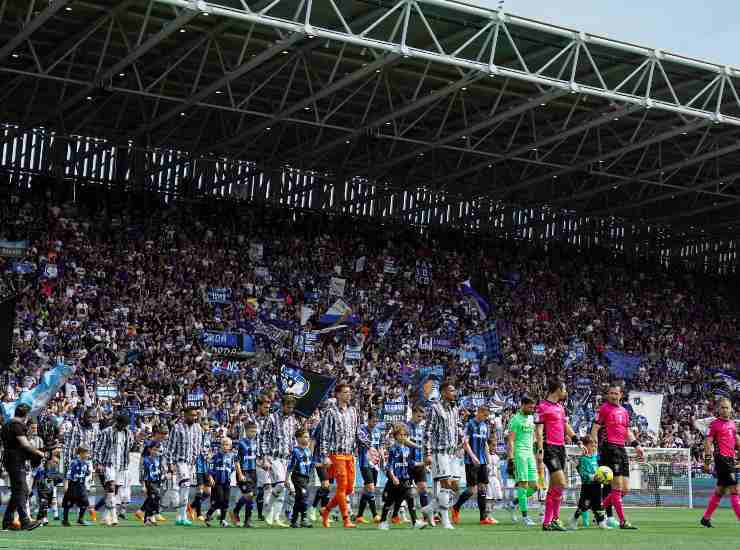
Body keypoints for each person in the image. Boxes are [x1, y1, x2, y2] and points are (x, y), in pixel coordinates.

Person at [590, 384, 643, 530]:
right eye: (611, 393)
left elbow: (627, 431)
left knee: (625, 489)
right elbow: (595, 428)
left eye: (616, 393)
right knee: (617, 488)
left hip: (621, 449)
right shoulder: (604, 409)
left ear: (621, 395)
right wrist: (594, 446)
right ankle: (623, 521)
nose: (613, 395)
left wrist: (637, 445)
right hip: (609, 448)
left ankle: (598, 509)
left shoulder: (624, 411)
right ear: (608, 395)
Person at [536, 379, 581, 531]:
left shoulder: (560, 407)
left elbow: (565, 425)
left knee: (555, 487)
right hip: (549, 448)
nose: (566, 392)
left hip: (561, 448)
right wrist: (540, 450)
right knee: (561, 483)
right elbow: (539, 430)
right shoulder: (542, 406)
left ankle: (548, 522)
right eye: (564, 389)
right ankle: (554, 519)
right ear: (557, 390)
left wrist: (577, 440)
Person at [319, 383, 360, 529]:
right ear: (337, 394)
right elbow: (324, 435)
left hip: (350, 454)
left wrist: (369, 448)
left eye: (349, 392)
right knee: (341, 487)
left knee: (349, 489)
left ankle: (326, 510)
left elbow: (357, 433)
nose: (348, 394)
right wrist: (325, 455)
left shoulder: (353, 411)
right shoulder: (330, 412)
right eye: (345, 392)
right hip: (336, 454)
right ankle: (346, 519)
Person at [424, 381, 462, 530]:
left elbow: (457, 425)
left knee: (455, 486)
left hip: (452, 453)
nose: (454, 393)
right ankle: (445, 520)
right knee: (445, 484)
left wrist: (461, 439)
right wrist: (426, 454)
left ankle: (429, 508)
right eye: (451, 391)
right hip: (439, 452)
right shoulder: (435, 408)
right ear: (444, 393)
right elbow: (427, 431)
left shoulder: (455, 409)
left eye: (454, 391)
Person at [1, 403, 44, 531]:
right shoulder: (17, 425)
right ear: (26, 414)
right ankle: (25, 520)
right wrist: (39, 452)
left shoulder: (7, 424)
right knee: (21, 490)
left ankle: (8, 521)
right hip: (15, 461)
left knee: (18, 491)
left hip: (10, 460)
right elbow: (25, 445)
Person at [452, 404, 496, 525]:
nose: (485, 418)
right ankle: (456, 507)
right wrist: (473, 457)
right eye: (484, 415)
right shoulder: (470, 424)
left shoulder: (484, 426)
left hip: (482, 462)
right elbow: (465, 443)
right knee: (472, 490)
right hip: (471, 461)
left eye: (487, 416)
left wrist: (488, 461)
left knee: (482, 488)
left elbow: (485, 444)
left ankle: (483, 518)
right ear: (479, 412)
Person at [700, 397, 740, 527]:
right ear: (718, 409)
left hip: (730, 460)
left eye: (727, 407)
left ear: (731, 409)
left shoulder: (733, 424)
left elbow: (735, 441)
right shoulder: (715, 424)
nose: (724, 410)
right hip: (721, 459)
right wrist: (707, 461)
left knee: (720, 491)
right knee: (735, 490)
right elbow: (708, 442)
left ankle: (706, 518)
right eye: (722, 407)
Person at [93, 412, 137, 527]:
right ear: (118, 422)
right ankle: (114, 516)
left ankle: (105, 516)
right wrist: (98, 463)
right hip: (108, 464)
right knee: (111, 488)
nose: (124, 426)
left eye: (126, 425)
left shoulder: (129, 433)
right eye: (123, 424)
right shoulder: (107, 432)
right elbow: (98, 448)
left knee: (114, 492)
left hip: (122, 465)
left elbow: (130, 446)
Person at [260, 394, 298, 527]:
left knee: (290, 490)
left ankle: (277, 516)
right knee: (281, 483)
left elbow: (294, 438)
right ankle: (268, 508)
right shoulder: (272, 418)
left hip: (288, 458)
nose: (291, 408)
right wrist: (265, 458)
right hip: (275, 457)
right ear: (283, 405)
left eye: (292, 406)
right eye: (288, 406)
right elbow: (263, 438)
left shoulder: (293, 420)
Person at [378, 423, 425, 530]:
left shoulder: (407, 449)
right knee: (389, 502)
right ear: (395, 436)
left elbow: (409, 463)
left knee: (410, 497)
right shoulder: (393, 449)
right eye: (400, 435)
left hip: (405, 479)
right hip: (395, 481)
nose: (403, 437)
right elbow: (389, 466)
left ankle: (415, 522)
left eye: (405, 435)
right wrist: (393, 477)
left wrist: (422, 464)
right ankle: (382, 522)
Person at [167, 407, 203, 526]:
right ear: (185, 415)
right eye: (192, 415)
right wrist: (170, 463)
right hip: (180, 461)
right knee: (186, 484)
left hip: (191, 463)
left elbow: (198, 445)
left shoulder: (198, 428)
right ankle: (183, 515)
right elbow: (170, 447)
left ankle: (180, 516)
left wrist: (197, 459)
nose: (194, 417)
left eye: (195, 415)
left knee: (184, 488)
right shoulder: (177, 428)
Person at [506, 395, 538, 527]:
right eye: (530, 407)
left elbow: (533, 437)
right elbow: (511, 440)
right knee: (523, 485)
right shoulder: (515, 420)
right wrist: (511, 458)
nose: (532, 409)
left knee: (535, 487)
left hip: (530, 455)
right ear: (523, 405)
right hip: (520, 455)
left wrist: (537, 451)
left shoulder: (531, 418)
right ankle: (525, 517)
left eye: (533, 407)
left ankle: (513, 503)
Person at [63, 408, 99, 522]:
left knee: (85, 491)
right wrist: (69, 464)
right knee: (72, 495)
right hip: (76, 461)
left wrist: (93, 465)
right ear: (84, 417)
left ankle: (80, 517)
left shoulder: (94, 429)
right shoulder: (76, 428)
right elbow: (70, 448)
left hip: (88, 462)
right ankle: (67, 518)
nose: (91, 420)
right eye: (89, 417)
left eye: (93, 417)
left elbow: (94, 446)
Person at [568, 435, 608, 530]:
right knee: (584, 506)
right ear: (585, 446)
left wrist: (602, 477)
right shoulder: (583, 459)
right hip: (587, 486)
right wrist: (592, 477)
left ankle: (601, 522)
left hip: (597, 485)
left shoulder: (595, 458)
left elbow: (600, 470)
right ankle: (574, 519)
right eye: (591, 445)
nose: (593, 447)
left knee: (599, 505)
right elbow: (582, 473)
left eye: (594, 445)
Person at [406, 406, 432, 525]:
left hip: (420, 462)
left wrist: (427, 456)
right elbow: (404, 440)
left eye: (422, 417)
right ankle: (395, 513)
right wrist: (417, 446)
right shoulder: (406, 426)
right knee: (407, 491)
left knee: (423, 488)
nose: (420, 419)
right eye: (418, 416)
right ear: (413, 413)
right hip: (407, 462)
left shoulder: (423, 427)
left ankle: (426, 517)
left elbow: (426, 443)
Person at [356, 411, 382, 524]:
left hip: (375, 463)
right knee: (370, 487)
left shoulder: (378, 431)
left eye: (376, 421)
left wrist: (382, 457)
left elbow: (379, 445)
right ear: (368, 419)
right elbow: (360, 442)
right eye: (373, 420)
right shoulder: (362, 430)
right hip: (365, 462)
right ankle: (375, 515)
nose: (375, 423)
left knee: (368, 489)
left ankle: (359, 516)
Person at [204, 437, 236, 528]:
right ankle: (209, 514)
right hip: (217, 482)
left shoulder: (231, 456)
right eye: (224, 444)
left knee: (226, 501)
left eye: (227, 445)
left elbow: (232, 468)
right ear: (221, 446)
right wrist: (210, 477)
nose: (225, 446)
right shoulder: (216, 456)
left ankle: (222, 520)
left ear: (230, 446)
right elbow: (209, 467)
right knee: (220, 500)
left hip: (227, 482)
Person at [232, 421, 258, 527]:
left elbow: (255, 457)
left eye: (255, 431)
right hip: (244, 472)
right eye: (252, 431)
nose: (254, 433)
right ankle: (247, 520)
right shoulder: (240, 443)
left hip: (253, 471)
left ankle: (237, 511)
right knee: (249, 495)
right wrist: (240, 474)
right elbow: (236, 460)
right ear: (246, 431)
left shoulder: (255, 442)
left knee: (252, 495)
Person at [287, 428, 313, 528]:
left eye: (308, 437)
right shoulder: (295, 451)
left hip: (305, 477)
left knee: (299, 498)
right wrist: (287, 479)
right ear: (298, 438)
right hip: (297, 476)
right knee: (304, 496)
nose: (308, 439)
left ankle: (294, 520)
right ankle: (304, 518)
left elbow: (310, 464)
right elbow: (291, 466)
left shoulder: (308, 451)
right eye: (305, 437)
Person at [252, 394, 272, 521]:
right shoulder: (251, 421)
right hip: (256, 458)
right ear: (259, 406)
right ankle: (262, 512)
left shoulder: (271, 420)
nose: (267, 409)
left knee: (267, 486)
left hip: (269, 457)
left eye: (269, 407)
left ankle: (264, 512)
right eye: (265, 407)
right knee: (262, 487)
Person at [62, 445, 92, 527]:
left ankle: (80, 519)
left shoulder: (86, 463)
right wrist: (66, 485)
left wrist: (89, 473)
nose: (88, 455)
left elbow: (87, 473)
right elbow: (68, 474)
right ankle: (65, 520)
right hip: (73, 485)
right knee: (68, 503)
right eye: (86, 453)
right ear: (81, 453)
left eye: (88, 453)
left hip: (81, 485)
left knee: (85, 502)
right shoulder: (74, 462)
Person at [141, 442, 164, 526]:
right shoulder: (146, 460)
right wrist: (143, 485)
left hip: (157, 481)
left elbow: (160, 470)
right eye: (154, 449)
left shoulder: (159, 459)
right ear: (149, 450)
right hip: (149, 482)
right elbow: (143, 473)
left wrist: (162, 478)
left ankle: (147, 518)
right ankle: (151, 517)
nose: (155, 451)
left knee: (152, 500)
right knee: (153, 498)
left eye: (157, 450)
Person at [486, 434, 504, 521]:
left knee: (498, 496)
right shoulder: (486, 456)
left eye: (495, 445)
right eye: (493, 445)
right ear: (488, 445)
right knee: (489, 497)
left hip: (495, 478)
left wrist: (500, 481)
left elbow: (498, 470)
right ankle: (489, 516)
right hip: (488, 478)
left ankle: (489, 514)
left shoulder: (497, 457)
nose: (494, 447)